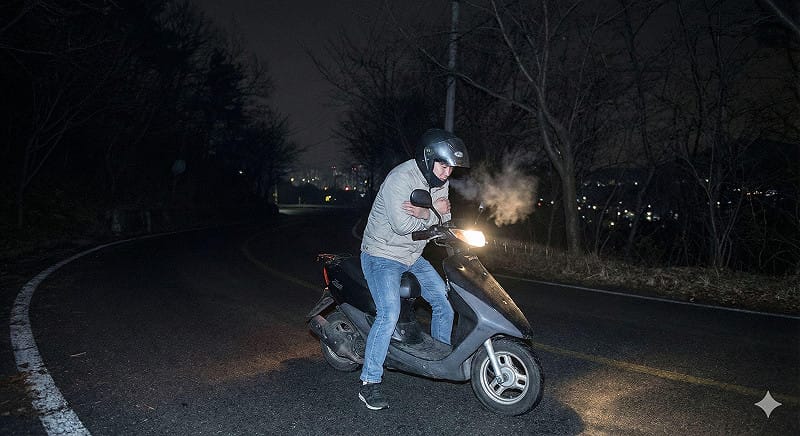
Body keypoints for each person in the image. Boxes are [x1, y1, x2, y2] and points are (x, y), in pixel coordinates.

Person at [357, 128, 470, 410]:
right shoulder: (400, 179)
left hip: (412, 255)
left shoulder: (439, 180)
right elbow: (403, 226)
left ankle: (439, 362)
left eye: (451, 168)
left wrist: (426, 212)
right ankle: (369, 382)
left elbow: (445, 217)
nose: (447, 173)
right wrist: (431, 212)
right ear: (428, 158)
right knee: (389, 313)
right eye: (443, 166)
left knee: (444, 302)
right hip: (381, 254)